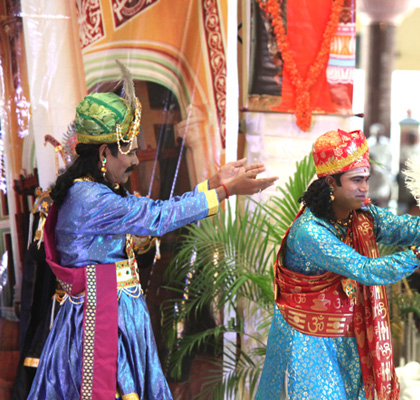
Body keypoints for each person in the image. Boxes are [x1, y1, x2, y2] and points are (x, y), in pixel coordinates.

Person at [28, 74, 277, 399]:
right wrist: (225, 192)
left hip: (113, 313)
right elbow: (156, 218)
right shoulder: (90, 198)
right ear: (104, 153)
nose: (134, 160)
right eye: (128, 151)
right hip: (100, 323)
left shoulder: (96, 191)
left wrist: (214, 184)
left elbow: (155, 209)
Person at [255, 129, 420, 399]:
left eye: (366, 179)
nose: (365, 188)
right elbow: (366, 270)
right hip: (307, 339)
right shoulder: (309, 232)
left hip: (348, 336)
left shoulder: (360, 216)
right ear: (330, 184)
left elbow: (405, 228)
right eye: (356, 180)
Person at [367, 122, 393, 207]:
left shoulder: (387, 143)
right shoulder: (368, 143)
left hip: (384, 170)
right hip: (370, 170)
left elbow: (389, 158)